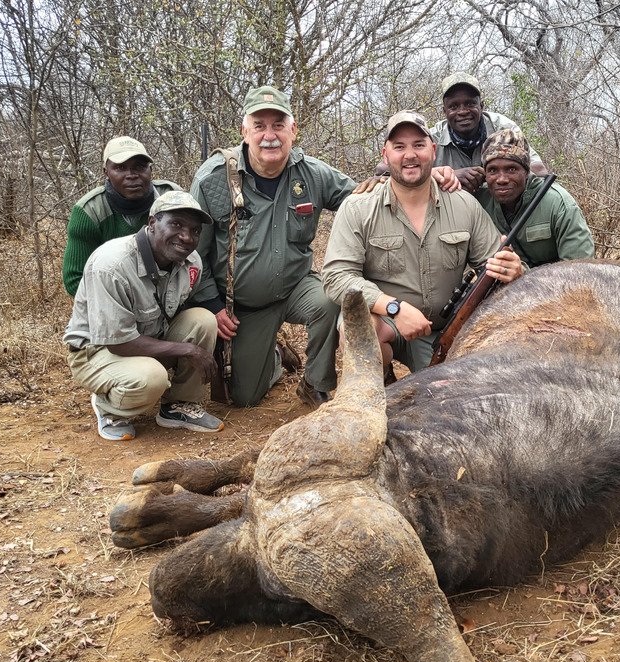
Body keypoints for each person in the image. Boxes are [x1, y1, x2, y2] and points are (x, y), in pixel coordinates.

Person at [191, 85, 460, 409]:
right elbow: (193, 252)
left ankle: (316, 384)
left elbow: (368, 199)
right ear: (244, 131)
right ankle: (273, 355)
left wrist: (430, 178)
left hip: (296, 287)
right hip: (243, 305)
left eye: (278, 125)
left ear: (293, 130)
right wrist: (212, 302)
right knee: (244, 397)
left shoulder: (313, 174)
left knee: (335, 297)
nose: (269, 135)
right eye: (259, 125)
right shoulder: (213, 179)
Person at [323, 111, 524, 375]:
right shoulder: (358, 207)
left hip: (445, 328)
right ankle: (380, 380)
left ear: (433, 150)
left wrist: (514, 271)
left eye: (418, 145)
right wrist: (394, 308)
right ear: (385, 154)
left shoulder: (464, 204)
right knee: (357, 330)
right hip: (388, 321)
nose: (410, 155)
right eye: (399, 147)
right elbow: (337, 276)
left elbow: (493, 265)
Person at [63, 191, 223, 441]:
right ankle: (109, 408)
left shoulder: (191, 262)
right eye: (176, 224)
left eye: (194, 230)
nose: (186, 237)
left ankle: (179, 406)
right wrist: (188, 350)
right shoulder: (111, 264)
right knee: (152, 378)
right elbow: (118, 343)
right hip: (98, 350)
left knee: (203, 320)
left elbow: (179, 313)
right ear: (151, 224)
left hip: (147, 337)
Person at [62, 136, 182, 296]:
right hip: (113, 302)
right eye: (120, 168)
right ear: (106, 172)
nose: (131, 175)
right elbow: (75, 280)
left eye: (139, 167)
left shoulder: (172, 198)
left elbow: (193, 258)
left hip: (168, 296)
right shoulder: (89, 211)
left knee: (202, 320)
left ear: (150, 170)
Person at [476, 129, 594, 267]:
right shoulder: (478, 202)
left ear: (526, 172)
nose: (502, 179)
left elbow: (580, 273)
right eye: (493, 170)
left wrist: (522, 275)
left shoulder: (559, 204)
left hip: (554, 286)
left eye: (511, 169)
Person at [431, 73, 549, 192]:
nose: (462, 111)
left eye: (470, 103)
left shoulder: (504, 129)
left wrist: (491, 176)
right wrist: (449, 176)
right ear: (444, 111)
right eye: (454, 106)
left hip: (499, 205)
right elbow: (414, 179)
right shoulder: (431, 139)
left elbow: (539, 171)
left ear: (481, 106)